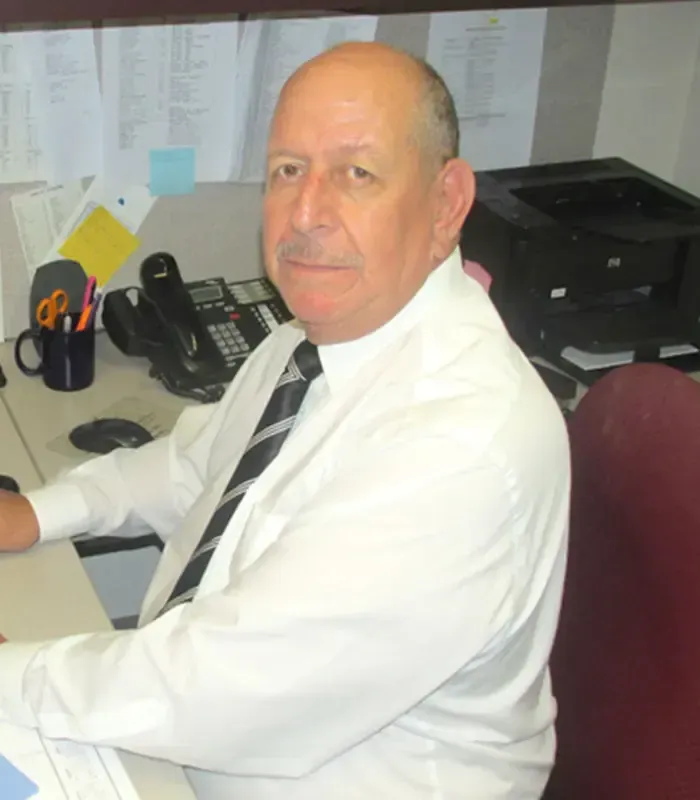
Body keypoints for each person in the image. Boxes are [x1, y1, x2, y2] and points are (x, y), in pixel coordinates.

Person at [0, 42, 570, 799]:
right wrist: (40, 511)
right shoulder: (309, 341)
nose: (306, 214)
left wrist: (12, 675)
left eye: (356, 174)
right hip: (187, 743)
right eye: (288, 171)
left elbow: (223, 688)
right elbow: (192, 468)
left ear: (446, 203)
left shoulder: (461, 444)